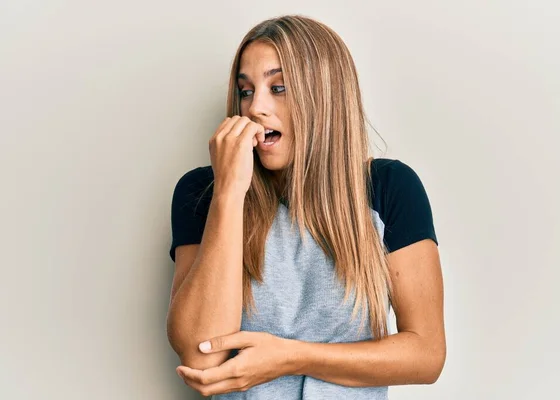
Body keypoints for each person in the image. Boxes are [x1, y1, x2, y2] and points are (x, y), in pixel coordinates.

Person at [166, 14, 446, 399]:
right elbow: (201, 356)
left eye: (278, 88)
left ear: (324, 97)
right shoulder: (201, 192)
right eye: (245, 91)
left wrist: (292, 358)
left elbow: (425, 355)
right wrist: (229, 192)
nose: (254, 107)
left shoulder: (389, 188)